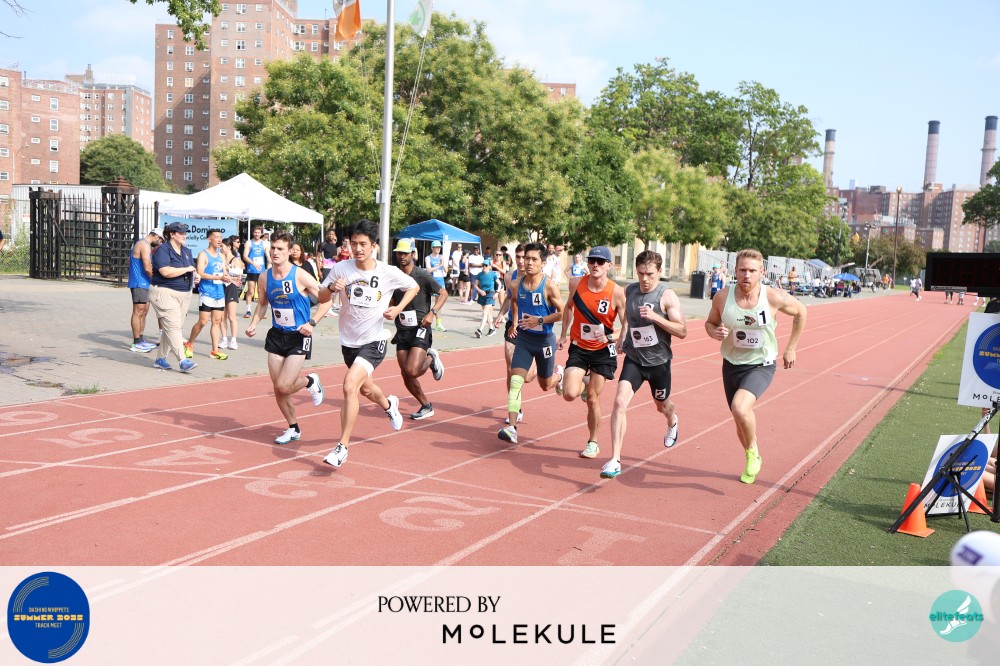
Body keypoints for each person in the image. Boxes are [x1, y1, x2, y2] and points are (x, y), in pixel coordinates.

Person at [317, 219, 419, 468]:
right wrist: (331, 288)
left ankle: (342, 447)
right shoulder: (341, 268)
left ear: (373, 246)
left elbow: (413, 287)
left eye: (363, 244)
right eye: (354, 244)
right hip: (349, 342)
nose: (358, 249)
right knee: (365, 389)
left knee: (349, 385)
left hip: (374, 341)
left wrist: (398, 308)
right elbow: (321, 297)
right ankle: (389, 404)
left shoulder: (386, 271)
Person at [704, 248, 807, 484]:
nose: (747, 275)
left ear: (762, 272)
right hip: (731, 364)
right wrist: (714, 332)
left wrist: (791, 347)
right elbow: (710, 323)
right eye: (742, 270)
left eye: (752, 270)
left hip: (761, 365)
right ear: (735, 270)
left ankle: (752, 452)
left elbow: (801, 312)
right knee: (739, 418)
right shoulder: (722, 297)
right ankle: (752, 453)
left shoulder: (773, 297)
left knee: (740, 408)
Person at [599, 251, 686, 478]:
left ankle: (673, 420)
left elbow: (682, 331)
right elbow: (628, 318)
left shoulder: (666, 296)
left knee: (662, 405)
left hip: (659, 363)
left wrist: (656, 317)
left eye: (650, 274)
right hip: (635, 359)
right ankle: (615, 459)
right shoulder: (630, 291)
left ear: (659, 272)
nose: (645, 279)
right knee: (619, 402)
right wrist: (622, 337)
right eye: (640, 273)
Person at [245, 231, 326, 444]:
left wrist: (312, 322)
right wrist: (253, 324)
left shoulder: (300, 275)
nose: (275, 252)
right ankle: (293, 428)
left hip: (299, 335)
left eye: (280, 249)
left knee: (284, 386)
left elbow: (326, 300)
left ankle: (310, 381)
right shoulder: (265, 277)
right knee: (279, 389)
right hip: (276, 335)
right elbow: (262, 304)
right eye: (272, 248)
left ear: (290, 251)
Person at [556, 246, 627, 460]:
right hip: (579, 346)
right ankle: (583, 383)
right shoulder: (576, 283)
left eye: (600, 261)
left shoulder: (616, 292)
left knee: (593, 399)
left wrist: (611, 338)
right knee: (569, 394)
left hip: (603, 351)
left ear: (608, 265)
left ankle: (593, 442)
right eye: (592, 261)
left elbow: (627, 325)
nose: (595, 265)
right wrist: (563, 334)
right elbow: (568, 307)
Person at [497, 242, 565, 444]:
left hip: (545, 341)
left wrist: (540, 320)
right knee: (516, 380)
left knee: (545, 385)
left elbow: (562, 313)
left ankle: (559, 376)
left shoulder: (549, 286)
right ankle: (512, 427)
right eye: (527, 258)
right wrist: (514, 323)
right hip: (525, 340)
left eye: (534, 259)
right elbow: (514, 301)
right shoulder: (516, 284)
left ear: (542, 263)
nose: (528, 262)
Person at [390, 239, 448, 420]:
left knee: (413, 370)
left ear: (413, 254)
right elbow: (392, 300)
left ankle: (431, 358)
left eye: (405, 253)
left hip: (420, 328)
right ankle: (426, 405)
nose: (401, 256)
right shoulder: (394, 276)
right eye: (399, 253)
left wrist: (432, 313)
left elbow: (443, 293)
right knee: (406, 374)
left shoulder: (422, 275)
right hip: (402, 330)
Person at [493, 243, 537, 425]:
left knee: (527, 377)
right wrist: (500, 314)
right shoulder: (509, 276)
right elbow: (509, 299)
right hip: (513, 326)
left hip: (532, 328)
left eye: (523, 257)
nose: (520, 261)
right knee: (511, 370)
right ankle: (515, 408)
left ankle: (548, 369)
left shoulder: (537, 278)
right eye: (517, 257)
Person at [149, 221, 199, 373]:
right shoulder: (163, 249)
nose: (184, 235)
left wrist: (195, 275)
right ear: (172, 234)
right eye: (180, 233)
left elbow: (191, 269)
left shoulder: (186, 251)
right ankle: (183, 361)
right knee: (174, 327)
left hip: (184, 294)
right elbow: (165, 271)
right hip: (164, 292)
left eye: (185, 233)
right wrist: (186, 269)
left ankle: (160, 359)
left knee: (172, 327)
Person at [184, 229, 231, 361]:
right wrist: (220, 278)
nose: (220, 240)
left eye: (221, 237)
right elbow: (200, 273)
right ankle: (189, 343)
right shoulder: (203, 254)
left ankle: (215, 350)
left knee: (217, 321)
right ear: (209, 239)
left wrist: (231, 279)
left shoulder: (221, 256)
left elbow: (224, 273)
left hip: (219, 292)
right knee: (203, 321)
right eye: (216, 237)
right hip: (207, 292)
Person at [128, 227, 164, 352]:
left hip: (144, 282)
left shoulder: (145, 245)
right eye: (160, 241)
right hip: (139, 283)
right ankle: (136, 343)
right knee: (138, 312)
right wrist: (157, 280)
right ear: (156, 237)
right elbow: (148, 267)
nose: (160, 244)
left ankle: (141, 340)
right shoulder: (144, 244)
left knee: (144, 312)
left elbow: (130, 261)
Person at [220, 236, 243, 350]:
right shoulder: (220, 258)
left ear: (229, 247)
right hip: (221, 286)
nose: (221, 248)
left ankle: (233, 340)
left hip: (231, 288)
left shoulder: (235, 260)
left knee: (232, 316)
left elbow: (239, 275)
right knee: (222, 316)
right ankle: (224, 339)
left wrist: (229, 270)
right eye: (220, 246)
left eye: (222, 246)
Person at [243, 225, 268, 317]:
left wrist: (271, 262)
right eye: (255, 232)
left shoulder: (264, 244)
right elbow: (245, 256)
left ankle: (260, 311)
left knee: (261, 291)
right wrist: (253, 263)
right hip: (252, 270)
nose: (257, 234)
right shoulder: (249, 243)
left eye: (258, 232)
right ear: (253, 233)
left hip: (261, 270)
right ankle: (248, 310)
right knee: (250, 290)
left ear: (261, 234)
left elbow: (267, 255)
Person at [424, 240, 448, 331]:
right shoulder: (428, 258)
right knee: (427, 301)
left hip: (440, 282)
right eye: (437, 247)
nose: (438, 249)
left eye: (439, 247)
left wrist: (443, 264)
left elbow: (446, 271)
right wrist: (439, 266)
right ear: (432, 248)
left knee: (439, 303)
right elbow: (428, 270)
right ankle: (424, 320)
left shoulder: (442, 257)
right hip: (432, 281)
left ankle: (438, 324)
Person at [473, 258, 500, 338]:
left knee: (485, 312)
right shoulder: (480, 274)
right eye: (483, 265)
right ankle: (491, 329)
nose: (484, 267)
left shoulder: (493, 274)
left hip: (490, 294)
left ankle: (480, 330)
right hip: (482, 294)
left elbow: (499, 284)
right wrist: (480, 291)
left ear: (489, 266)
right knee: (487, 313)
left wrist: (497, 292)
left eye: (486, 265)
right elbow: (475, 285)